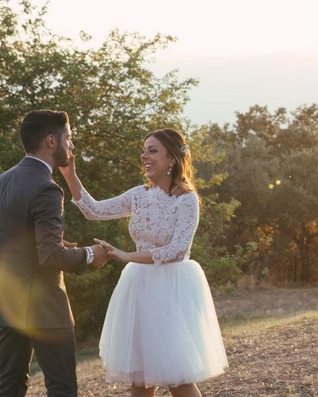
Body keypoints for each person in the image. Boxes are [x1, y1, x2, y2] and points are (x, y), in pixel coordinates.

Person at [60, 128, 228, 397]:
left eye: (153, 151)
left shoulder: (186, 200)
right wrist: (70, 173)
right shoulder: (139, 195)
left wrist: (126, 256)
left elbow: (176, 251)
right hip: (139, 289)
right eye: (144, 150)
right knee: (140, 379)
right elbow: (94, 210)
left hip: (172, 290)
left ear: (172, 158)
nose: (145, 156)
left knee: (178, 378)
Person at [0, 109, 109, 397]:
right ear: (51, 141)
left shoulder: (3, 181)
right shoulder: (46, 188)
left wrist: (60, 245)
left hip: (7, 305)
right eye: (68, 139)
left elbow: (16, 241)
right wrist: (88, 254)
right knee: (62, 388)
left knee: (9, 387)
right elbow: (49, 257)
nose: (71, 147)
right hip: (45, 307)